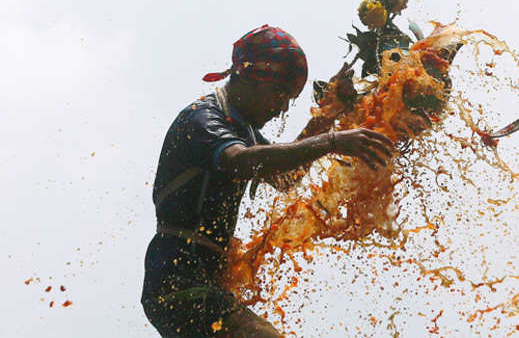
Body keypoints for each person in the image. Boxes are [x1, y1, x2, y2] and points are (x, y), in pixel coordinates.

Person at [141, 25, 394, 338]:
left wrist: (329, 113)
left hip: (199, 283)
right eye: (279, 94)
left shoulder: (240, 129)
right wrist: (331, 140)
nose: (283, 107)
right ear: (250, 78)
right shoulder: (202, 120)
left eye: (289, 98)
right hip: (177, 281)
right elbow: (238, 162)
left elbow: (286, 177)